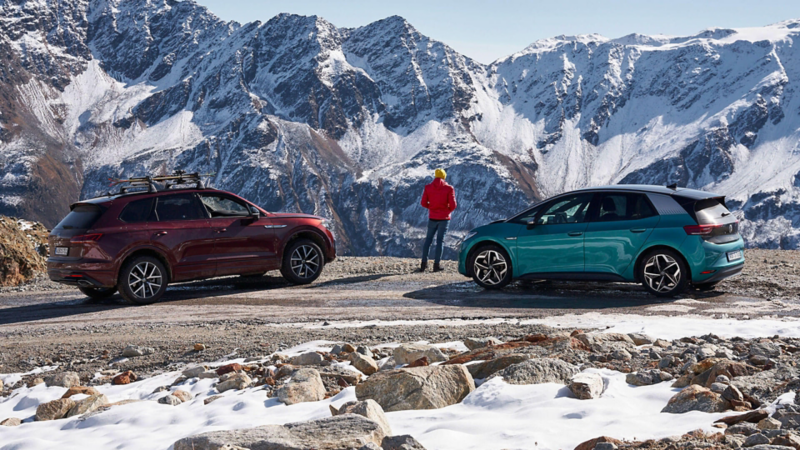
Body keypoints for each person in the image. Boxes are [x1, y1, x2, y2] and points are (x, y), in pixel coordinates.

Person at [419, 168, 457, 272]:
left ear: (435, 176)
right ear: (444, 176)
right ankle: (436, 265)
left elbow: (423, 203)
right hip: (444, 219)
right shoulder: (449, 188)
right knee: (440, 241)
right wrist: (446, 210)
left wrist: (432, 207)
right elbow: (453, 205)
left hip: (432, 217)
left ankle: (423, 264)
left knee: (428, 240)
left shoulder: (428, 187)